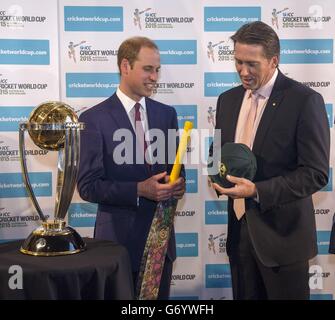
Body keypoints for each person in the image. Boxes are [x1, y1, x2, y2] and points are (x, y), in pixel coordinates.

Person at [211, 21, 330, 299]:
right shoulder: (226, 100)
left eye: (252, 64)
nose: (243, 71)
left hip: (283, 243)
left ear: (274, 61)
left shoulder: (304, 100)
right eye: (238, 62)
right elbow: (216, 155)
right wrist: (215, 174)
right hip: (239, 238)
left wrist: (257, 191)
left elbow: (315, 173)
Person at [77, 36, 185, 299]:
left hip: (161, 245)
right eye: (148, 69)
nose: (155, 77)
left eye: (157, 70)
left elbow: (177, 171)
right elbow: (88, 187)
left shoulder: (166, 114)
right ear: (125, 66)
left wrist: (178, 185)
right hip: (117, 246)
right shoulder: (93, 119)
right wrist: (139, 190)